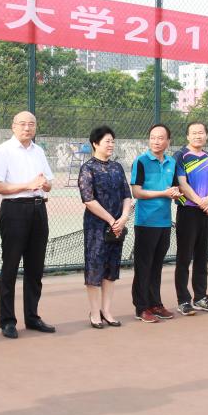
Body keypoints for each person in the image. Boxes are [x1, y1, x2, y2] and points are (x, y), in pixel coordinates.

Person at [0, 111, 57, 338]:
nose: (27, 128)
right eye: (23, 124)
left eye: (31, 124)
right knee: (10, 267)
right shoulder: (3, 150)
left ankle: (32, 316)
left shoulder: (39, 151)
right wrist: (27, 185)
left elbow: (48, 183)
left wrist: (44, 185)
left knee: (35, 268)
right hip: (14, 211)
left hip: (39, 210)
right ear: (13, 126)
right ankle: (7, 321)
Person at [77, 126, 131, 328]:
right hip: (96, 227)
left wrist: (123, 218)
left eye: (112, 141)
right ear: (95, 143)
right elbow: (88, 199)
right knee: (95, 268)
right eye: (107, 141)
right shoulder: (88, 168)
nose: (111, 145)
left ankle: (106, 311)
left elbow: (127, 194)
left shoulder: (117, 167)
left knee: (111, 269)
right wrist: (111, 220)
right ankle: (94, 313)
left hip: (117, 227)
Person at [131, 124, 180, 323]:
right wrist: (163, 193)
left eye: (160, 138)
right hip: (145, 222)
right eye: (153, 137)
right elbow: (137, 192)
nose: (156, 141)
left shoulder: (172, 162)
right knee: (143, 266)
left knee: (157, 266)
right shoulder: (141, 161)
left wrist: (177, 193)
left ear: (168, 141)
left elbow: (175, 188)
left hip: (164, 222)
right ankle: (141, 307)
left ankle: (155, 304)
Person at [173, 122, 208, 315]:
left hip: (206, 212)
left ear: (206, 135)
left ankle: (201, 297)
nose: (197, 136)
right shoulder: (181, 156)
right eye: (193, 133)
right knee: (184, 258)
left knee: (202, 257)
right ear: (187, 136)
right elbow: (182, 184)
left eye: (201, 133)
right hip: (187, 211)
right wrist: (200, 201)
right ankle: (183, 300)